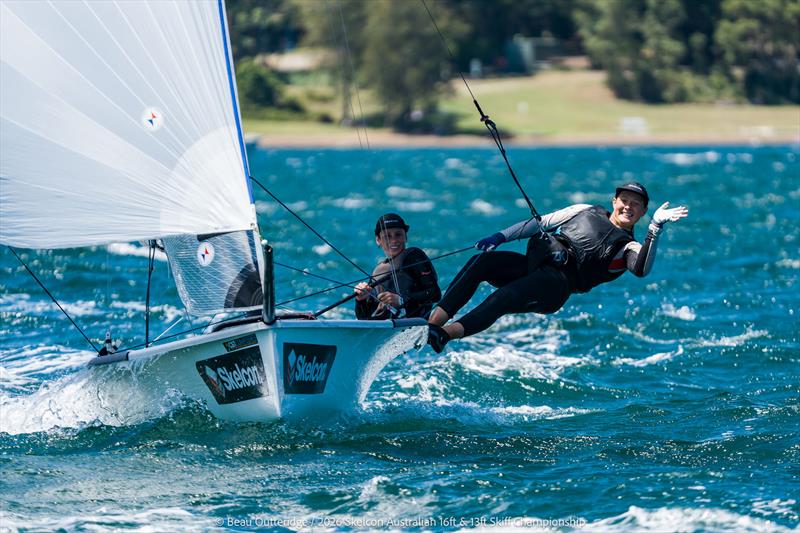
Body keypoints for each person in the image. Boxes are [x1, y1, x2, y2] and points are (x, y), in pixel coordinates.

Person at [427, 182, 688, 352]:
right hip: (535, 266)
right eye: (624, 200)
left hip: (555, 286)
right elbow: (541, 222)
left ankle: (444, 335)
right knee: (482, 262)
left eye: (636, 204)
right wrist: (500, 236)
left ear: (643, 212)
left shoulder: (627, 247)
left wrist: (655, 229)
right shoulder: (585, 209)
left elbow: (641, 269)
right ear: (614, 201)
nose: (628, 207)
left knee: (503, 298)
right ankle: (432, 322)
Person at [354, 213, 441, 320]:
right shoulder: (378, 270)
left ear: (406, 237)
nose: (394, 240)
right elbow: (363, 318)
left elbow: (435, 294)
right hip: (382, 329)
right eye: (387, 236)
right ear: (378, 240)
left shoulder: (414, 256)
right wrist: (361, 300)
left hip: (412, 327)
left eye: (398, 234)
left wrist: (401, 300)